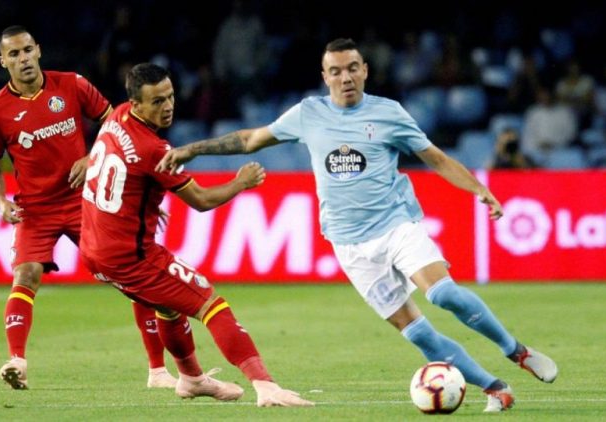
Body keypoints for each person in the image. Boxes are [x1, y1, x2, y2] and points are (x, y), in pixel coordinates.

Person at [156, 38, 558, 413]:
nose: (345, 77)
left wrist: (479, 189)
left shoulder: (388, 113)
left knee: (443, 293)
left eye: (352, 68)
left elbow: (435, 158)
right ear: (325, 76)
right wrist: (192, 149)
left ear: (365, 70)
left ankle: (516, 351)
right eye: (336, 71)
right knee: (417, 333)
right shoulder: (308, 114)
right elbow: (250, 140)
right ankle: (495, 388)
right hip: (350, 246)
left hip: (396, 225)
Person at [79, 63, 313, 407]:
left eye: (170, 96)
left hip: (93, 249)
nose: (168, 106)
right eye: (157, 101)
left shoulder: (117, 116)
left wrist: (136, 203)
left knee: (169, 307)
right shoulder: (154, 149)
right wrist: (240, 182)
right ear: (137, 103)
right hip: (130, 257)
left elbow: (114, 170)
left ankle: (191, 379)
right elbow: (201, 201)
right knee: (211, 305)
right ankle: (265, 386)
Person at [0, 25, 175, 390]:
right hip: (35, 209)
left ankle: (158, 371)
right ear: (3, 61)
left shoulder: (71, 84)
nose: (23, 59)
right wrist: (0, 200)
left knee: (133, 276)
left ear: (39, 50)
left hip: (85, 200)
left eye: (27, 50)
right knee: (26, 274)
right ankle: (17, 361)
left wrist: (91, 158)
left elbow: (116, 123)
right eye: (14, 54)